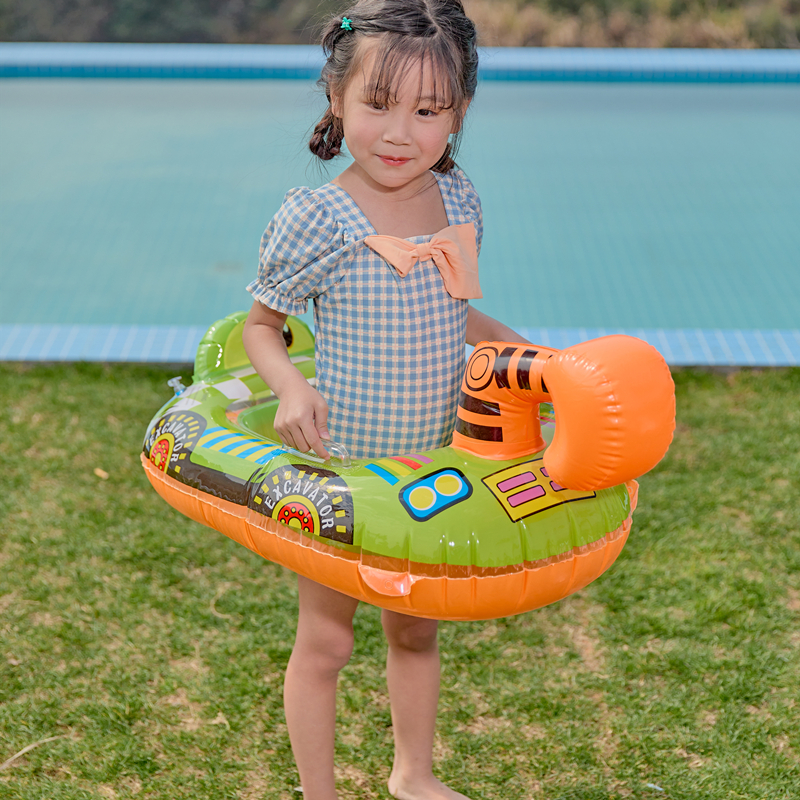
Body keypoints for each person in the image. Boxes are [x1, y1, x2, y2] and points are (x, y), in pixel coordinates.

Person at [242, 2, 526, 798]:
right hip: (343, 471)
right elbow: (263, 328)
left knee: (416, 629)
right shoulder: (316, 217)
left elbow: (453, 315)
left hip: (430, 466)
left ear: (458, 112)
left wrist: (530, 357)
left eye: (427, 111)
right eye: (377, 104)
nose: (400, 133)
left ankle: (413, 774)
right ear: (337, 98)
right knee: (327, 642)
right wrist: (292, 386)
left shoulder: (459, 200)